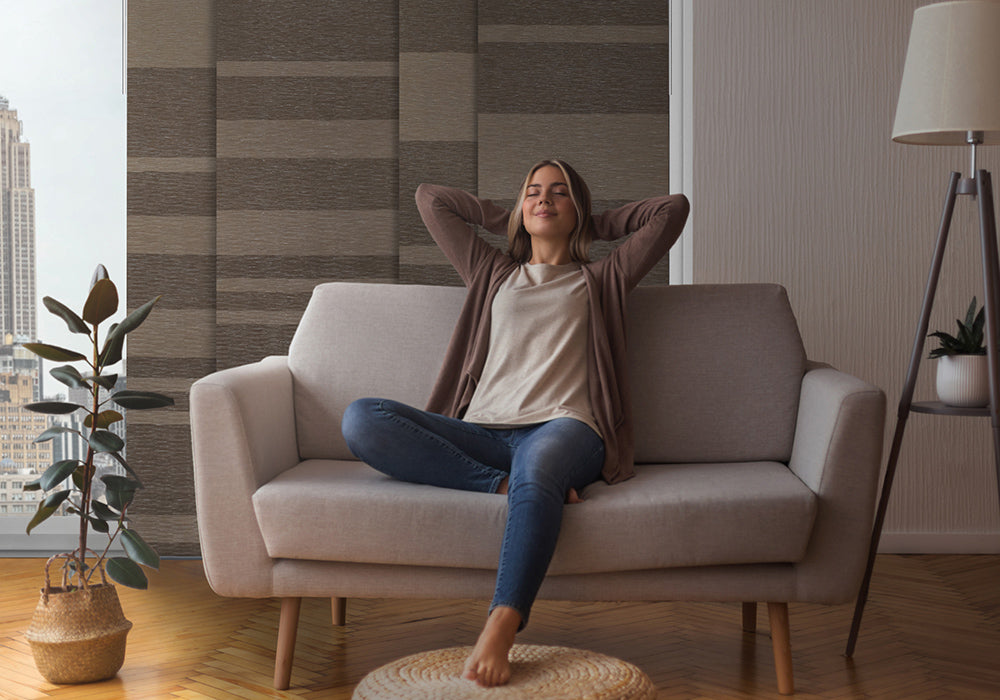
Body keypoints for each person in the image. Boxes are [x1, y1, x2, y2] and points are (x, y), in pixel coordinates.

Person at [341, 159, 690, 687]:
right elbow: (431, 198)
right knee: (363, 418)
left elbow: (671, 210)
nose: (544, 200)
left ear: (580, 209)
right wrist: (516, 218)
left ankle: (502, 625)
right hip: (482, 433)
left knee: (542, 461)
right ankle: (504, 485)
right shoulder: (493, 273)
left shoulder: (603, 278)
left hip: (566, 428)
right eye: (534, 192)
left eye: (559, 194)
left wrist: (590, 222)